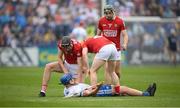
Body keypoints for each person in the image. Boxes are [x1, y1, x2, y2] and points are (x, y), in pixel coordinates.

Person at [60, 73, 157, 97]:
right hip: (98, 92)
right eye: (72, 78)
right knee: (123, 89)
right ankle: (147, 94)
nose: (74, 79)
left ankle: (145, 93)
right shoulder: (74, 90)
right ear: (70, 82)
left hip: (96, 89)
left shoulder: (67, 89)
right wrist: (98, 87)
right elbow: (89, 94)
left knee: (120, 91)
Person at [97, 5, 129, 78]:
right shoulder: (101, 21)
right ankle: (109, 87)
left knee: (116, 72)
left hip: (116, 49)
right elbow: (98, 35)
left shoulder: (120, 21)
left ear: (113, 12)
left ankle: (117, 85)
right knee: (107, 70)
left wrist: (125, 44)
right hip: (105, 48)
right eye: (106, 13)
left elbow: (125, 35)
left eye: (109, 13)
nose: (108, 15)